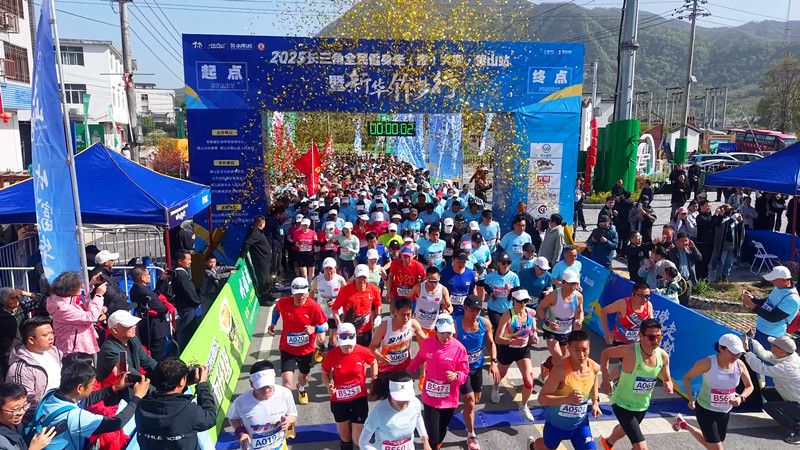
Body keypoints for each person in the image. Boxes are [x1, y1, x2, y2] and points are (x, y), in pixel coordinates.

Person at [34, 361, 148, 450]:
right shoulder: (75, 417)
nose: (93, 388)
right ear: (80, 388)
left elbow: (85, 400)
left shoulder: (51, 394)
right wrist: (136, 398)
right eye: (92, 385)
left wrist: (114, 387)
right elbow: (116, 423)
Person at [599, 319, 673, 450]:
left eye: (659, 337)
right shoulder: (629, 351)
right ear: (641, 336)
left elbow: (667, 379)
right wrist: (605, 379)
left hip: (642, 405)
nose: (656, 341)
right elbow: (605, 354)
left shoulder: (663, 356)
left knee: (623, 429)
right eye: (651, 337)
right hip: (622, 403)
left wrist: (668, 384)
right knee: (641, 447)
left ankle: (608, 443)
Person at [673, 334, 753, 449]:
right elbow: (687, 378)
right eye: (732, 352)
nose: (736, 356)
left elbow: (749, 386)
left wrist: (741, 397)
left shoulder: (739, 365)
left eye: (738, 353)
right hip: (705, 409)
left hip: (725, 411)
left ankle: (684, 424)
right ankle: (684, 424)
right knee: (716, 446)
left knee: (712, 443)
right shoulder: (706, 363)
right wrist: (690, 399)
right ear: (720, 348)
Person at [529, 330, 601, 450]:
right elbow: (542, 399)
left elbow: (594, 380)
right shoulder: (560, 370)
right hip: (556, 425)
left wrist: (595, 402)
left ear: (589, 348)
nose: (581, 355)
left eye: (584, 350)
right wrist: (567, 399)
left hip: (580, 425)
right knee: (546, 447)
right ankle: (532, 446)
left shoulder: (594, 367)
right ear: (568, 348)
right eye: (576, 350)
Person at [407, 314, 469, 449]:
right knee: (433, 435)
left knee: (442, 429)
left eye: (449, 333)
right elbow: (420, 357)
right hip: (430, 397)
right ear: (436, 330)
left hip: (449, 399)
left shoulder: (459, 348)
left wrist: (456, 375)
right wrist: (409, 369)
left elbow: (464, 372)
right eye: (442, 333)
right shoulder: (427, 343)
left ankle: (436, 445)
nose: (446, 336)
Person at [268, 277, 328, 405]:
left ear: (307, 291)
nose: (300, 296)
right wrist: (273, 323)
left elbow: (325, 326)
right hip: (287, 349)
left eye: (303, 293)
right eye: (297, 294)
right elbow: (276, 310)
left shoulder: (314, 307)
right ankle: (286, 407)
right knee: (286, 384)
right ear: (292, 292)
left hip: (306, 351)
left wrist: (315, 328)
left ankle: (301, 388)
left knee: (303, 377)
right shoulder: (284, 302)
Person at [136, 359, 216, 449]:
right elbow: (210, 417)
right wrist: (202, 385)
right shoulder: (189, 411)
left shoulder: (141, 406)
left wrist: (181, 384)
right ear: (182, 381)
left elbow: (167, 401)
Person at [321, 323, 377, 450]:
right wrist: (328, 385)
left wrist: (374, 379)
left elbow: (373, 361)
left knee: (358, 438)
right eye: (344, 345)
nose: (347, 347)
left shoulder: (362, 351)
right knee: (345, 437)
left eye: (350, 344)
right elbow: (324, 373)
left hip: (359, 399)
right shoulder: (331, 355)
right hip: (339, 401)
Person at [456, 295, 499, 450]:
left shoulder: (484, 323)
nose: (475, 314)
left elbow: (491, 343)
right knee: (469, 401)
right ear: (465, 308)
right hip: (462, 369)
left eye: (478, 310)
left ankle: (467, 408)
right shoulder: (456, 324)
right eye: (472, 310)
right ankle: (471, 435)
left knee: (476, 399)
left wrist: (493, 362)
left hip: (477, 367)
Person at [741, 333, 800, 444]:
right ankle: (790, 415)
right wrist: (751, 340)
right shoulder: (790, 356)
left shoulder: (787, 368)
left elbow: (759, 367)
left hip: (798, 403)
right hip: (794, 397)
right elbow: (766, 355)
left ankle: (798, 428)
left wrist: (746, 352)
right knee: (766, 391)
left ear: (782, 352)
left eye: (773, 345)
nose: (771, 346)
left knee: (769, 407)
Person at [493, 288, 538, 420]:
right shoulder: (508, 315)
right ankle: (495, 387)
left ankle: (523, 406)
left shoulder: (530, 312)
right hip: (507, 349)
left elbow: (533, 320)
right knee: (501, 374)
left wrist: (534, 333)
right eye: (520, 301)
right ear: (513, 300)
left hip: (523, 351)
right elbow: (497, 339)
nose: (523, 304)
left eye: (526, 301)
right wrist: (513, 341)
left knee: (529, 380)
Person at [5, 317, 62, 422]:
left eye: (52, 333)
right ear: (31, 340)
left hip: (60, 410)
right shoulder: (21, 368)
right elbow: (24, 406)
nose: (51, 338)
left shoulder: (53, 351)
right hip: (41, 419)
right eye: (45, 335)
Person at [359, 371, 432, 450]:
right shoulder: (378, 413)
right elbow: (363, 442)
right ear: (390, 393)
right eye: (399, 398)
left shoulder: (415, 403)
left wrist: (425, 439)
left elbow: (418, 417)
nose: (403, 402)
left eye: (406, 397)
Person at [369, 297, 427, 392]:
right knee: (385, 394)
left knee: (402, 394)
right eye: (403, 314)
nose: (406, 318)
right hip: (386, 368)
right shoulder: (384, 327)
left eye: (408, 315)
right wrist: (379, 357)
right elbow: (372, 346)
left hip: (404, 367)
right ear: (395, 312)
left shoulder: (413, 324)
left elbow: (426, 341)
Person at [47, 270, 107, 356]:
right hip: (72, 350)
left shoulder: (63, 298)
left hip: (81, 346)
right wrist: (98, 295)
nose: (81, 286)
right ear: (71, 289)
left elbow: (81, 295)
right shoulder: (62, 308)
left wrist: (91, 283)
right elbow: (91, 317)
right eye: (79, 285)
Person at [537, 271, 583, 381]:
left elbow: (579, 312)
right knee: (559, 359)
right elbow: (540, 308)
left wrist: (579, 320)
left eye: (575, 284)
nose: (573, 287)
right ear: (563, 282)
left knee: (561, 357)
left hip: (566, 331)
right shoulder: (554, 296)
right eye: (570, 283)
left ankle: (545, 366)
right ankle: (555, 381)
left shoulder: (578, 296)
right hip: (551, 331)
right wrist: (548, 322)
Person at [741, 266, 800, 351]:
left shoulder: (792, 299)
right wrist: (753, 299)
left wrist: (752, 305)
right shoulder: (778, 287)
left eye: (774, 279)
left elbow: (773, 317)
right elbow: (767, 302)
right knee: (754, 353)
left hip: (771, 335)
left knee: (763, 357)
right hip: (761, 328)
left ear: (784, 280)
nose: (772, 281)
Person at [96, 310, 158, 389]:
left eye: (134, 324)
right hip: (117, 393)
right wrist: (155, 393)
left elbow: (148, 361)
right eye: (129, 325)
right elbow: (131, 375)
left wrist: (166, 373)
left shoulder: (132, 339)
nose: (134, 326)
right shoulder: (110, 350)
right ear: (115, 330)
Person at [333, 265, 382, 348]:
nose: (362, 281)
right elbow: (335, 309)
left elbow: (378, 304)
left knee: (364, 352)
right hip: (350, 331)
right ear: (354, 277)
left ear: (368, 277)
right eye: (359, 277)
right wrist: (339, 324)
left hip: (366, 330)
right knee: (350, 353)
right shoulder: (345, 290)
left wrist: (378, 315)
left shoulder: (374, 289)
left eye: (364, 277)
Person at [310, 257, 347, 362]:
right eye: (326, 268)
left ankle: (331, 354)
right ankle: (320, 349)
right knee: (321, 339)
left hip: (335, 314)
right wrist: (311, 305)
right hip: (321, 313)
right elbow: (312, 292)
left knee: (333, 340)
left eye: (331, 268)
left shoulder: (340, 280)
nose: (329, 271)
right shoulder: (318, 279)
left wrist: (337, 302)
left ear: (335, 268)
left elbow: (346, 295)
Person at [129, 265, 169, 361]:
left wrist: (161, 280)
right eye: (148, 274)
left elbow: (155, 295)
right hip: (155, 329)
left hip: (145, 328)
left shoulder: (134, 289)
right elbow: (162, 308)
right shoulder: (145, 292)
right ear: (143, 278)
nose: (149, 276)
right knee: (156, 358)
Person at [0, 382, 55, 450]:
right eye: (15, 409)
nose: (21, 412)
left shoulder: (14, 424)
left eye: (25, 406)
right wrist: (34, 448)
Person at [598, 282, 653, 347]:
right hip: (620, 340)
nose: (644, 299)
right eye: (641, 296)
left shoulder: (648, 305)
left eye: (647, 296)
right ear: (633, 295)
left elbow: (650, 324)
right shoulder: (623, 304)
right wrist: (606, 333)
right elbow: (603, 312)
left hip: (636, 341)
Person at [406, 266, 452, 337]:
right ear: (426, 279)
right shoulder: (418, 288)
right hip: (420, 325)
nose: (433, 284)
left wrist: (447, 310)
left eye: (436, 281)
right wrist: (408, 313)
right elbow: (405, 301)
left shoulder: (443, 289)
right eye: (431, 281)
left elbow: (450, 307)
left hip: (435, 325)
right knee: (425, 343)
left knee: (434, 344)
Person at [241, 215, 275, 305]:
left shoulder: (259, 232)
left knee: (267, 278)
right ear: (261, 223)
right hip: (261, 259)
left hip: (266, 259)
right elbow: (247, 243)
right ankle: (263, 298)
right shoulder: (255, 233)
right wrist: (243, 256)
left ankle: (268, 294)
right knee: (263, 278)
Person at [171, 249, 202, 348]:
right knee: (187, 331)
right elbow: (189, 291)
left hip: (182, 305)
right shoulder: (182, 275)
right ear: (180, 261)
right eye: (188, 260)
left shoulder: (176, 271)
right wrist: (197, 302)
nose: (190, 262)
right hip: (187, 307)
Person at [484, 253, 520, 330]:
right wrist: (490, 292)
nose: (506, 265)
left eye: (508, 263)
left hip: (508, 309)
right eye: (503, 263)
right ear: (498, 263)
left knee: (507, 330)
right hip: (494, 308)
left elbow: (518, 292)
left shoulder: (514, 277)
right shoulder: (491, 276)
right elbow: (486, 285)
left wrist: (511, 288)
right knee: (498, 328)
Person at [386, 247, 426, 313]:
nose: (406, 259)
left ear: (413, 256)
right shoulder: (395, 263)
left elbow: (425, 278)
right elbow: (390, 277)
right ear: (401, 256)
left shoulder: (418, 265)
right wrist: (388, 292)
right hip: (398, 295)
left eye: (409, 257)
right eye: (404, 256)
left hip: (412, 296)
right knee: (397, 313)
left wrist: (423, 293)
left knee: (411, 313)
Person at [710, 204, 744, 283]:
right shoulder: (721, 219)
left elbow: (739, 230)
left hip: (732, 244)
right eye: (728, 210)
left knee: (729, 262)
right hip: (723, 245)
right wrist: (730, 219)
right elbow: (721, 227)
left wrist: (740, 222)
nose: (730, 211)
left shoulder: (733, 219)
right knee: (721, 261)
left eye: (731, 210)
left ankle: (725, 276)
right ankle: (718, 277)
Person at [90, 250, 130, 316]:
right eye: (111, 260)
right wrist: (124, 303)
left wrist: (124, 298)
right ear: (106, 263)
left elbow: (116, 288)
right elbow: (112, 295)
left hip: (111, 307)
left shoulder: (106, 273)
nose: (113, 262)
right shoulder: (100, 276)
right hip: (109, 310)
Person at [668, 232, 702, 306]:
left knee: (685, 302)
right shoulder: (672, 252)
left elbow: (699, 257)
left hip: (688, 280)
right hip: (677, 280)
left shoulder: (690, 251)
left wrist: (693, 247)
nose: (684, 243)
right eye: (682, 241)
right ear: (677, 241)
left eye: (686, 241)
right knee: (675, 301)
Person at [440, 250, 476, 318]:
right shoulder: (444, 273)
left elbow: (473, 290)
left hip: (465, 311)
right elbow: (439, 290)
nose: (461, 265)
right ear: (453, 260)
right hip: (448, 311)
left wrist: (475, 305)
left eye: (464, 262)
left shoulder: (470, 273)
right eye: (459, 262)